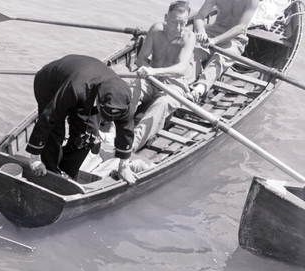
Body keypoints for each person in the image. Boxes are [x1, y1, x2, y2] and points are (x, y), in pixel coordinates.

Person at [25, 54, 138, 185]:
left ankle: (64, 173)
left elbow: (126, 130)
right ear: (99, 102)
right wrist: (34, 157)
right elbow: (49, 117)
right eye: (103, 114)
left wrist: (123, 166)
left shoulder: (122, 99)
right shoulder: (76, 88)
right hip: (51, 84)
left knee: (89, 134)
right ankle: (50, 172)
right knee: (55, 131)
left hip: (86, 87)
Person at [129, 1, 198, 150]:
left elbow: (181, 67)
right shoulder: (156, 30)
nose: (178, 28)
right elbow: (141, 59)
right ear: (166, 18)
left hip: (175, 85)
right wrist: (149, 71)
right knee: (131, 89)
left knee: (162, 103)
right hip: (151, 80)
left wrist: (154, 71)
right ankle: (115, 128)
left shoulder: (189, 37)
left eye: (183, 24)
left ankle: (131, 145)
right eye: (174, 23)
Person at [188, 0, 261, 102]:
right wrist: (201, 32)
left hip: (236, 38)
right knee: (194, 52)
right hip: (214, 31)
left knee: (220, 58)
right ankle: (184, 82)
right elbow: (200, 15)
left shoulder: (252, 1)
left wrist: (215, 40)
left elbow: (241, 28)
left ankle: (198, 89)